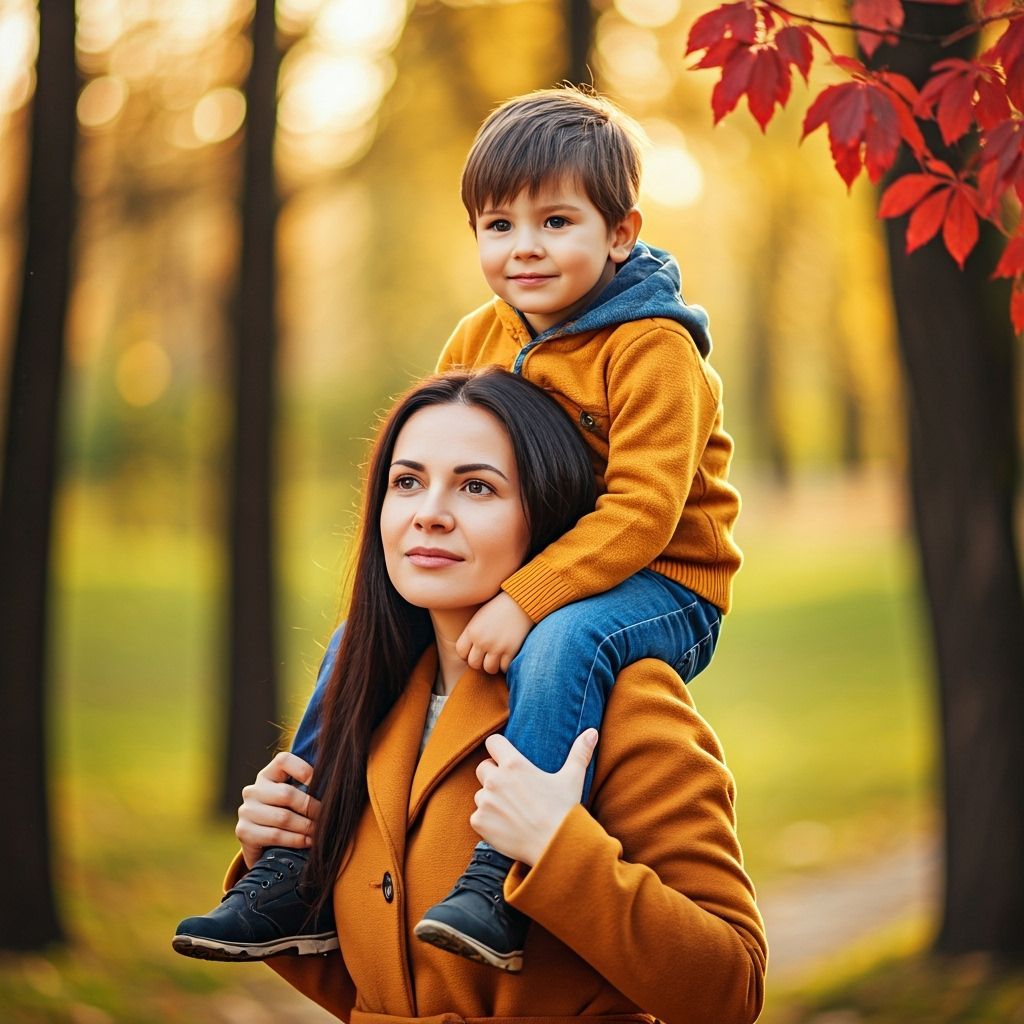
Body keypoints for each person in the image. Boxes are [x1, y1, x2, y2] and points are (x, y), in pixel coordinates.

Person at [174, 85, 741, 972]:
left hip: (664, 579)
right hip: (550, 576)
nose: (524, 249)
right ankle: (292, 866)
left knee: (562, 643)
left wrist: (525, 596)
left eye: (556, 223)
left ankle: (501, 873)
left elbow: (643, 511)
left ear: (621, 233)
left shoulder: (653, 350)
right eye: (497, 225)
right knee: (354, 643)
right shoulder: (480, 334)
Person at [179, 369, 766, 1023]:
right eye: (407, 482)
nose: (429, 512)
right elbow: (393, 993)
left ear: (547, 517)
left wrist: (557, 847)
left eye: (476, 486)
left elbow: (730, 991)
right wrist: (280, 857)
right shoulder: (370, 703)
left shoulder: (625, 705)